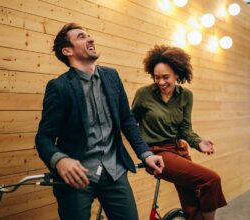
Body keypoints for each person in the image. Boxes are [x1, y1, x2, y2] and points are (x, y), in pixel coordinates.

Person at [35, 23, 164, 220]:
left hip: (115, 171)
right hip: (77, 177)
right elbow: (43, 138)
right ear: (67, 50)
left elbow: (127, 121)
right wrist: (60, 160)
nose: (90, 39)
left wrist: (145, 154)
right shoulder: (58, 87)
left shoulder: (111, 76)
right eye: (81, 37)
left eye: (89, 35)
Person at [132, 45, 227, 220]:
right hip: (157, 154)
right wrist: (142, 153)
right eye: (157, 77)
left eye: (166, 77)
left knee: (192, 205)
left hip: (179, 151)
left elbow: (185, 129)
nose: (161, 82)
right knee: (211, 179)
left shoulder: (185, 96)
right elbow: (130, 124)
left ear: (177, 74)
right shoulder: (144, 94)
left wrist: (198, 142)